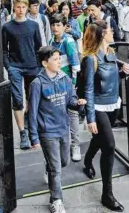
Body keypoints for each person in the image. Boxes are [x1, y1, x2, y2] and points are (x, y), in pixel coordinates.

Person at [79, 20, 129, 212]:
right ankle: (107, 195)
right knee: (109, 145)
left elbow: (112, 79)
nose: (113, 32)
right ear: (102, 35)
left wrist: (122, 73)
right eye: (110, 30)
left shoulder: (111, 53)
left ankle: (87, 160)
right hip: (98, 107)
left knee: (100, 139)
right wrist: (90, 118)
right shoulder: (90, 59)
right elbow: (89, 90)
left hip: (113, 104)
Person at [28, 46, 86, 213]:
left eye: (59, 58)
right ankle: (56, 200)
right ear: (45, 63)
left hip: (63, 128)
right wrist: (34, 138)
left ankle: (49, 166)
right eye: (55, 59)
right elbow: (32, 112)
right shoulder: (37, 84)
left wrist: (78, 103)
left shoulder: (65, 79)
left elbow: (71, 100)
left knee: (64, 162)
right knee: (57, 168)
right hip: (47, 132)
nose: (59, 61)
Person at [2, 0, 42, 150]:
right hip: (15, 67)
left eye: (23, 7)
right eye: (18, 7)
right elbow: (4, 49)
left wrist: (39, 66)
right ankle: (22, 132)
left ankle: (32, 129)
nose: (20, 10)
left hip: (32, 66)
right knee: (18, 100)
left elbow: (39, 47)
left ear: (27, 8)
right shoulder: (7, 27)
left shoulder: (33, 26)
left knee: (32, 99)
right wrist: (8, 66)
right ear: (14, 8)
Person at [49, 13, 82, 162]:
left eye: (58, 25)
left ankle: (75, 145)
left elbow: (75, 66)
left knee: (72, 113)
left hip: (68, 83)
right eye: (53, 24)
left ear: (64, 26)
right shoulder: (51, 40)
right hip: (55, 82)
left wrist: (74, 85)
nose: (55, 28)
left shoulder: (68, 41)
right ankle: (64, 145)